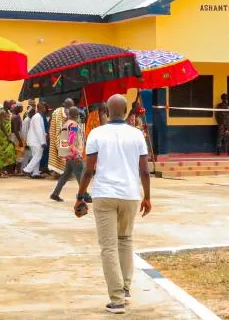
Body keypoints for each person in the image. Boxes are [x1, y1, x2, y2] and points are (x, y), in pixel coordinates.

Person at [74, 94, 152, 315]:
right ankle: (125, 289)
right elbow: (145, 171)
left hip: (104, 195)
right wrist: (147, 197)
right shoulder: (137, 134)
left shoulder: (96, 133)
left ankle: (117, 301)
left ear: (107, 112)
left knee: (108, 247)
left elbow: (89, 170)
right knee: (125, 240)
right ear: (126, 111)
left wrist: (80, 195)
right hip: (130, 195)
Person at [50, 107, 92, 203]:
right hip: (74, 155)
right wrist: (76, 154)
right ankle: (85, 195)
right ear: (77, 115)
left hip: (68, 154)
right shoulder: (73, 125)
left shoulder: (66, 124)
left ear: (69, 115)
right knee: (81, 175)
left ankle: (55, 194)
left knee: (65, 176)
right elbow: (71, 141)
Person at [48, 99, 73, 176]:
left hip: (62, 136)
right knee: (64, 156)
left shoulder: (57, 112)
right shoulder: (59, 112)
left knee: (62, 156)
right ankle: (62, 173)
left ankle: (60, 173)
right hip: (62, 137)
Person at [23, 103, 47, 178]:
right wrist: (43, 142)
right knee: (38, 156)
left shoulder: (38, 116)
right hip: (36, 141)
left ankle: (35, 173)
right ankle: (27, 170)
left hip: (35, 140)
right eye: (44, 107)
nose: (45, 109)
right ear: (42, 108)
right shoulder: (37, 117)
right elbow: (38, 130)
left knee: (35, 157)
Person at [0, 106, 15, 177]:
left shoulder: (0, 113)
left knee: (3, 154)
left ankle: (1, 171)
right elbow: (1, 124)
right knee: (1, 155)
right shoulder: (1, 113)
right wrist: (8, 136)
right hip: (2, 138)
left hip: (2, 137)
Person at [11, 105, 26, 172]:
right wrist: (20, 140)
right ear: (17, 109)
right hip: (16, 136)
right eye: (21, 108)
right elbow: (16, 130)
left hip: (14, 136)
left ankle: (15, 170)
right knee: (20, 152)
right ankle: (18, 170)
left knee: (16, 153)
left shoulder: (13, 116)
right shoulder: (16, 117)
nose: (22, 109)